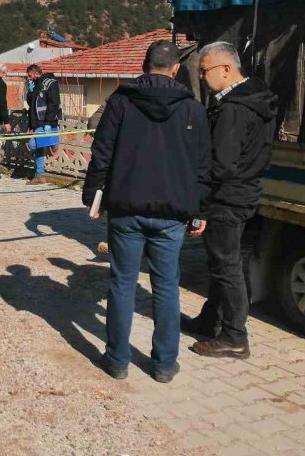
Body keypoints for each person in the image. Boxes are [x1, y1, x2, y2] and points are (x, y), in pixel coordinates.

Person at [82, 40, 210, 383]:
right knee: (167, 286)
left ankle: (117, 360)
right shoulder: (193, 110)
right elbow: (203, 168)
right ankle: (165, 365)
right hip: (173, 214)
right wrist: (201, 210)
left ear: (143, 66)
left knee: (122, 283)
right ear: (175, 69)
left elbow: (101, 154)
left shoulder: (121, 102)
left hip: (126, 209)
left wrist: (92, 196)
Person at [186, 41, 277, 359]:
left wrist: (199, 199)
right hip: (244, 192)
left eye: (203, 69)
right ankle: (211, 320)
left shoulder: (233, 109)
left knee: (227, 266)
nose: (201, 76)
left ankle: (235, 337)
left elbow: (221, 164)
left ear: (225, 68)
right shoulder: (254, 100)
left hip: (227, 197)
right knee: (226, 263)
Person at [25, 64, 62, 185]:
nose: (29, 78)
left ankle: (54, 143)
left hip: (47, 122)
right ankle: (39, 175)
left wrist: (48, 123)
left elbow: (54, 104)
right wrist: (30, 93)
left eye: (30, 76)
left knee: (31, 144)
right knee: (39, 148)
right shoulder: (36, 85)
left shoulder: (51, 83)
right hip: (37, 122)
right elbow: (32, 106)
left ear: (35, 73)